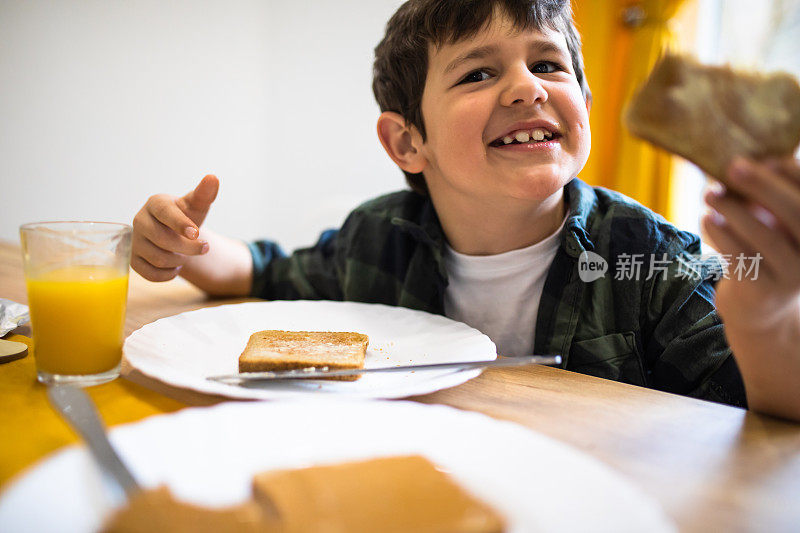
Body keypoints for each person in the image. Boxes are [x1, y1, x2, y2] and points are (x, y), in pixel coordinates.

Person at [130, 0, 800, 422]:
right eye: (479, 73)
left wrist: (767, 322)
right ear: (407, 141)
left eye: (548, 64)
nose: (526, 87)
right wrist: (190, 245)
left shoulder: (650, 259)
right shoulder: (379, 239)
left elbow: (763, 414)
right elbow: (269, 274)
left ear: (585, 111)